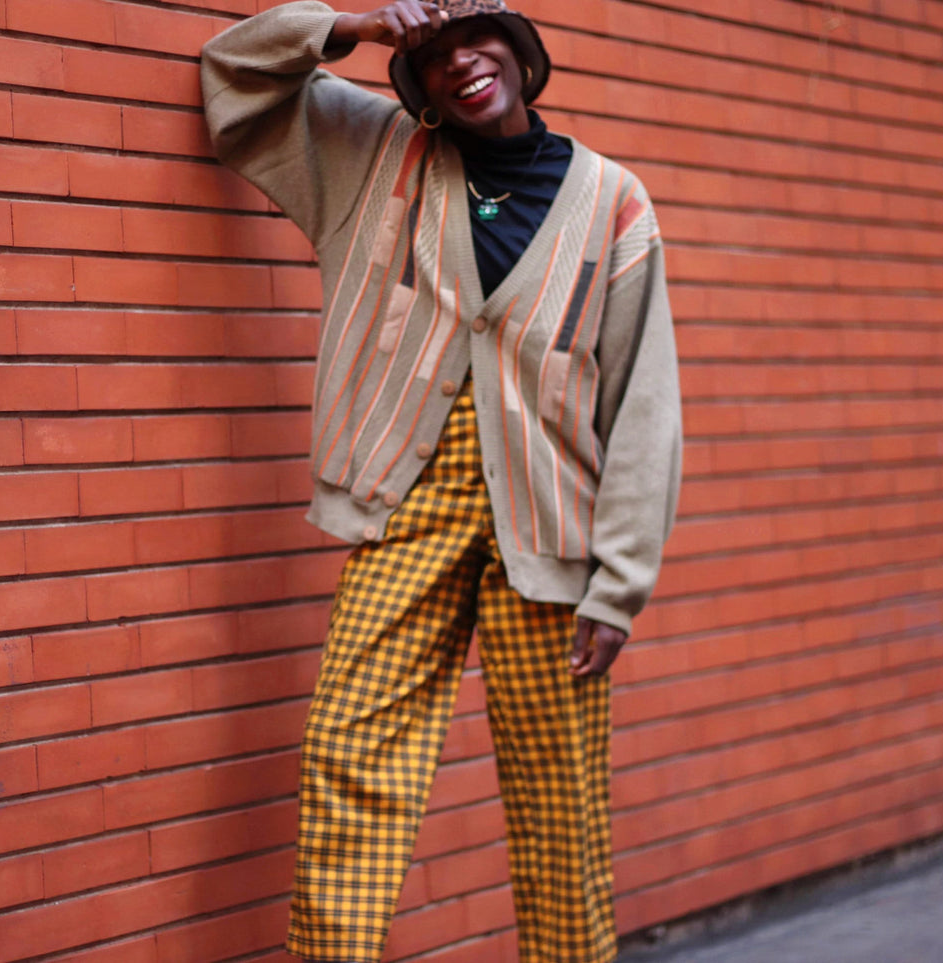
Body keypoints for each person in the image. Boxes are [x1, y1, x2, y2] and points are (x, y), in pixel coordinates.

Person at [201, 2, 682, 960]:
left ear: (521, 48)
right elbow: (233, 72)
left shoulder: (612, 199)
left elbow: (643, 399)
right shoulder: (371, 155)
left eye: (478, 37)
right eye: (434, 52)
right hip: (403, 509)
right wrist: (356, 25)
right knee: (348, 755)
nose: (460, 62)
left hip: (547, 531)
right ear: (413, 79)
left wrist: (619, 584)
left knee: (560, 803)